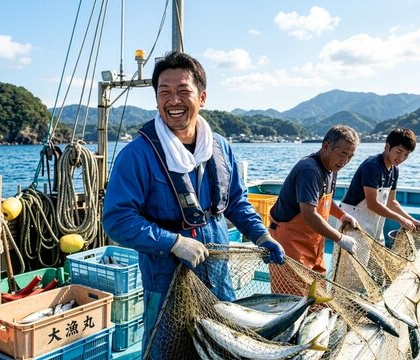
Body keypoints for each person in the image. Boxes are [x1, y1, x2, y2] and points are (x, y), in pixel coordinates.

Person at [102, 51, 284, 355]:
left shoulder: (221, 147)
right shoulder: (137, 156)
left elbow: (235, 201)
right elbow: (118, 220)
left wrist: (261, 234)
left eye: (183, 91)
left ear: (202, 97)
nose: (173, 100)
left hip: (218, 275)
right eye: (164, 92)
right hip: (167, 281)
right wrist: (173, 242)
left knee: (221, 346)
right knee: (168, 350)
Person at [268, 125, 360, 285]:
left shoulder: (332, 168)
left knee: (318, 296)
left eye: (350, 157)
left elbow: (323, 201)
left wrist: (342, 215)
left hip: (314, 243)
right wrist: (339, 238)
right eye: (342, 154)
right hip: (290, 243)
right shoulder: (309, 170)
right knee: (294, 298)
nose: (345, 161)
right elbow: (309, 214)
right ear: (326, 146)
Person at [339, 128, 420, 244]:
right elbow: (372, 204)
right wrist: (401, 219)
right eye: (399, 152)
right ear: (387, 147)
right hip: (353, 221)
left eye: (406, 154)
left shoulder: (395, 170)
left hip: (374, 225)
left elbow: (391, 202)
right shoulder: (372, 166)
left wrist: (412, 220)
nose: (401, 158)